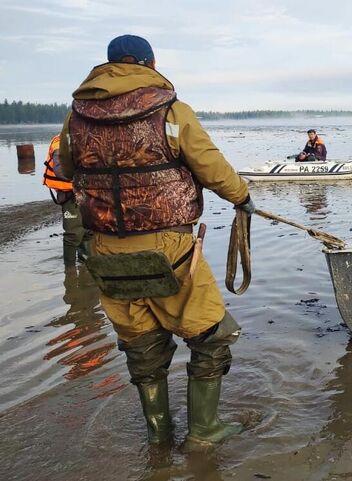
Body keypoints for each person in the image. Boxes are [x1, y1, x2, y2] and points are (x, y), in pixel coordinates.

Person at [59, 34, 256, 449]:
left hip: (105, 247)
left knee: (142, 345)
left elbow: (66, 165)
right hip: (169, 247)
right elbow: (211, 166)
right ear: (151, 63)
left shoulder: (76, 118)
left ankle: (159, 436)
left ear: (108, 66)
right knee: (213, 335)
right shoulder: (170, 110)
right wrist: (243, 197)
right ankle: (203, 432)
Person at [42, 133, 92, 267]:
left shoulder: (86, 138)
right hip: (70, 194)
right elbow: (60, 170)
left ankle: (86, 267)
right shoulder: (60, 142)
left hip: (89, 193)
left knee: (89, 232)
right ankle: (69, 271)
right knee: (73, 234)